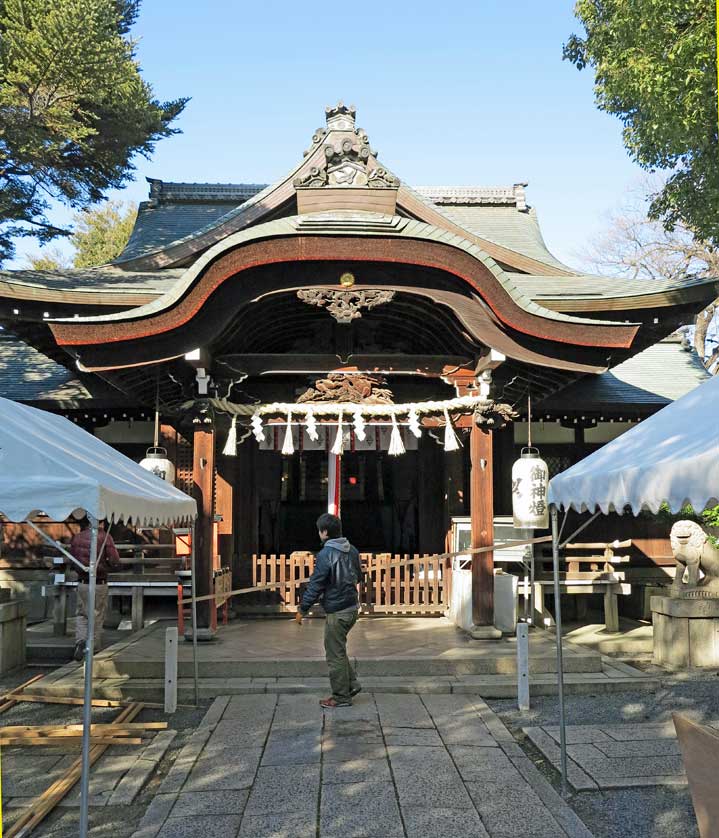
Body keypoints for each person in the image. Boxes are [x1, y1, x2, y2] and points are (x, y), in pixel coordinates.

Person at [296, 512, 362, 708]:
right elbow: (358, 576)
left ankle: (341, 697)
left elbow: (316, 585)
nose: (319, 534)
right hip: (351, 607)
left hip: (337, 610)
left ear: (324, 532)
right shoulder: (353, 550)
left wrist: (303, 609)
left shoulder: (326, 554)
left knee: (334, 655)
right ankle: (352, 684)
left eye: (319, 531)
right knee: (339, 649)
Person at [69, 517, 121, 661]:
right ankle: (93, 647)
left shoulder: (77, 537)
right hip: (99, 581)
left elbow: (72, 558)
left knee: (82, 614)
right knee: (96, 615)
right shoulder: (104, 537)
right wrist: (108, 567)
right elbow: (115, 559)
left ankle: (80, 641)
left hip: (82, 582)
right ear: (100, 522)